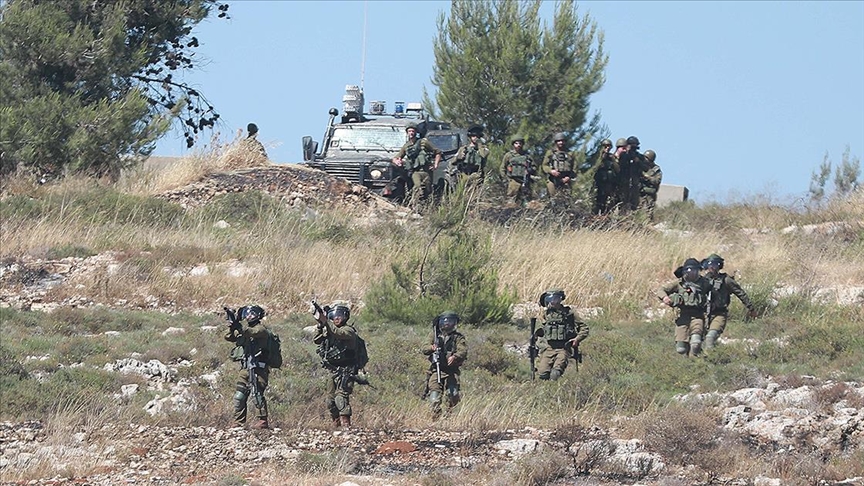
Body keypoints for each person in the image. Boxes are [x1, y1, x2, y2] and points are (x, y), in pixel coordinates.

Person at [224, 305, 272, 429]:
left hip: (259, 368)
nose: (249, 316)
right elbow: (229, 337)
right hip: (245, 368)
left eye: (252, 313)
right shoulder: (244, 330)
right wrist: (232, 327)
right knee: (239, 396)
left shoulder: (261, 329)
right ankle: (239, 422)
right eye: (247, 313)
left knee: (257, 394)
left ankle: (262, 421)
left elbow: (251, 332)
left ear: (259, 316)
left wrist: (239, 327)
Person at [313, 301, 360, 428]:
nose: (336, 318)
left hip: (347, 369)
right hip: (333, 370)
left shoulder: (349, 331)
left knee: (341, 397)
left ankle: (346, 425)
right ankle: (336, 424)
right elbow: (317, 340)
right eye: (334, 315)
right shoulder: (330, 330)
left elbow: (337, 333)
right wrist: (320, 324)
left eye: (340, 315)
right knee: (330, 400)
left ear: (346, 317)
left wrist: (326, 321)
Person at [656, 258, 712, 357]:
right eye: (688, 270)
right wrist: (665, 298)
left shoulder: (704, 283)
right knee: (681, 349)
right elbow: (661, 289)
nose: (691, 273)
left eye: (694, 270)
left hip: (698, 316)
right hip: (682, 316)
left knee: (696, 342)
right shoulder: (679, 283)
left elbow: (715, 293)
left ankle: (695, 357)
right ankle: (687, 360)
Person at [701, 254, 758, 349]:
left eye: (715, 265)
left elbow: (741, 293)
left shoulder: (726, 280)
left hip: (719, 314)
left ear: (719, 266)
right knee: (697, 340)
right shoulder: (703, 280)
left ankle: (711, 359)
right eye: (709, 264)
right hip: (703, 314)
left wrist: (751, 309)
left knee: (710, 338)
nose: (711, 267)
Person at [533, 289, 589, 380]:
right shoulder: (546, 314)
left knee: (555, 374)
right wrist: (535, 336)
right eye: (550, 299)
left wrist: (577, 339)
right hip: (549, 348)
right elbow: (545, 329)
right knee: (543, 374)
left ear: (559, 299)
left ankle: (558, 389)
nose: (552, 302)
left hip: (564, 347)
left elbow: (584, 328)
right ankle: (548, 391)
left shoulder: (569, 313)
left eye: (554, 299)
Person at [421, 311, 468, 418]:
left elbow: (463, 350)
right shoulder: (434, 335)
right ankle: (435, 418)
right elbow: (424, 347)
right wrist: (431, 348)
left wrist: (455, 356)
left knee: (453, 394)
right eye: (444, 320)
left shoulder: (458, 337)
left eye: (450, 321)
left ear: (454, 323)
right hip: (436, 370)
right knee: (434, 397)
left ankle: (449, 415)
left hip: (452, 371)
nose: (447, 323)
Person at [393, 124, 442, 204]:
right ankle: (416, 206)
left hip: (427, 171)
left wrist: (436, 164)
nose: (411, 133)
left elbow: (438, 152)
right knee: (418, 188)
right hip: (415, 172)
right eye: (409, 131)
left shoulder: (423, 142)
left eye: (413, 131)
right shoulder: (406, 146)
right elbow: (396, 157)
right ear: (407, 133)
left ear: (416, 132)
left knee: (428, 191)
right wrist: (397, 161)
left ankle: (427, 208)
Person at [501, 135, 536, 207]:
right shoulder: (509, 155)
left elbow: (534, 167)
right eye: (516, 143)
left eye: (520, 143)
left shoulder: (527, 156)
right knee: (511, 202)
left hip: (525, 181)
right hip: (513, 181)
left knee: (527, 202)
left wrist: (530, 170)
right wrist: (505, 179)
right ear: (513, 144)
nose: (518, 145)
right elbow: (502, 168)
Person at [542, 133, 577, 198]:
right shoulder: (550, 153)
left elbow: (574, 168)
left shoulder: (570, 153)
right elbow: (544, 166)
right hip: (553, 179)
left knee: (566, 200)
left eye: (562, 141)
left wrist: (569, 177)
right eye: (559, 141)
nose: (561, 142)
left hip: (566, 179)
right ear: (556, 142)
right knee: (553, 198)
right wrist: (551, 171)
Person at [592, 139, 619, 214]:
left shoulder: (612, 157)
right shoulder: (596, 157)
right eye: (605, 146)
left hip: (609, 184)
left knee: (608, 203)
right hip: (598, 184)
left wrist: (613, 160)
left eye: (609, 146)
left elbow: (617, 170)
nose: (607, 148)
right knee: (597, 202)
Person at [619, 136, 646, 211]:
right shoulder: (624, 155)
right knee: (623, 202)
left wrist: (638, 161)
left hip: (635, 183)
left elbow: (645, 168)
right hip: (625, 182)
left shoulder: (640, 156)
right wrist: (627, 155)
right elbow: (621, 165)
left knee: (634, 203)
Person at [639, 149, 663, 219]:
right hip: (639, 193)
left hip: (649, 195)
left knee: (648, 214)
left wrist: (648, 177)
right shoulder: (641, 166)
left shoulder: (656, 170)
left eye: (647, 158)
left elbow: (657, 181)